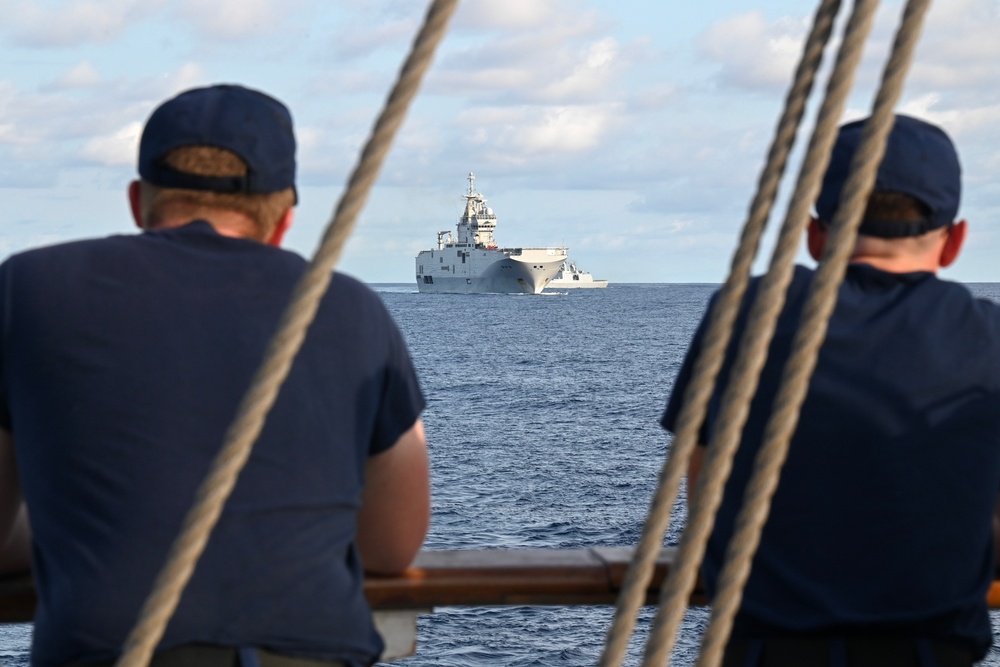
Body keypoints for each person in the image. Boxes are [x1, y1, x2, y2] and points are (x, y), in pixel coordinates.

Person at [0, 83, 430, 667]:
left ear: (137, 201)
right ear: (282, 221)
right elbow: (392, 545)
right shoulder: (351, 308)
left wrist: (71, 533)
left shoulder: (26, 290)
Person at [662, 115, 1000, 667]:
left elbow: (706, 501)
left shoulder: (745, 311)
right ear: (954, 241)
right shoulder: (988, 339)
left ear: (815, 235)